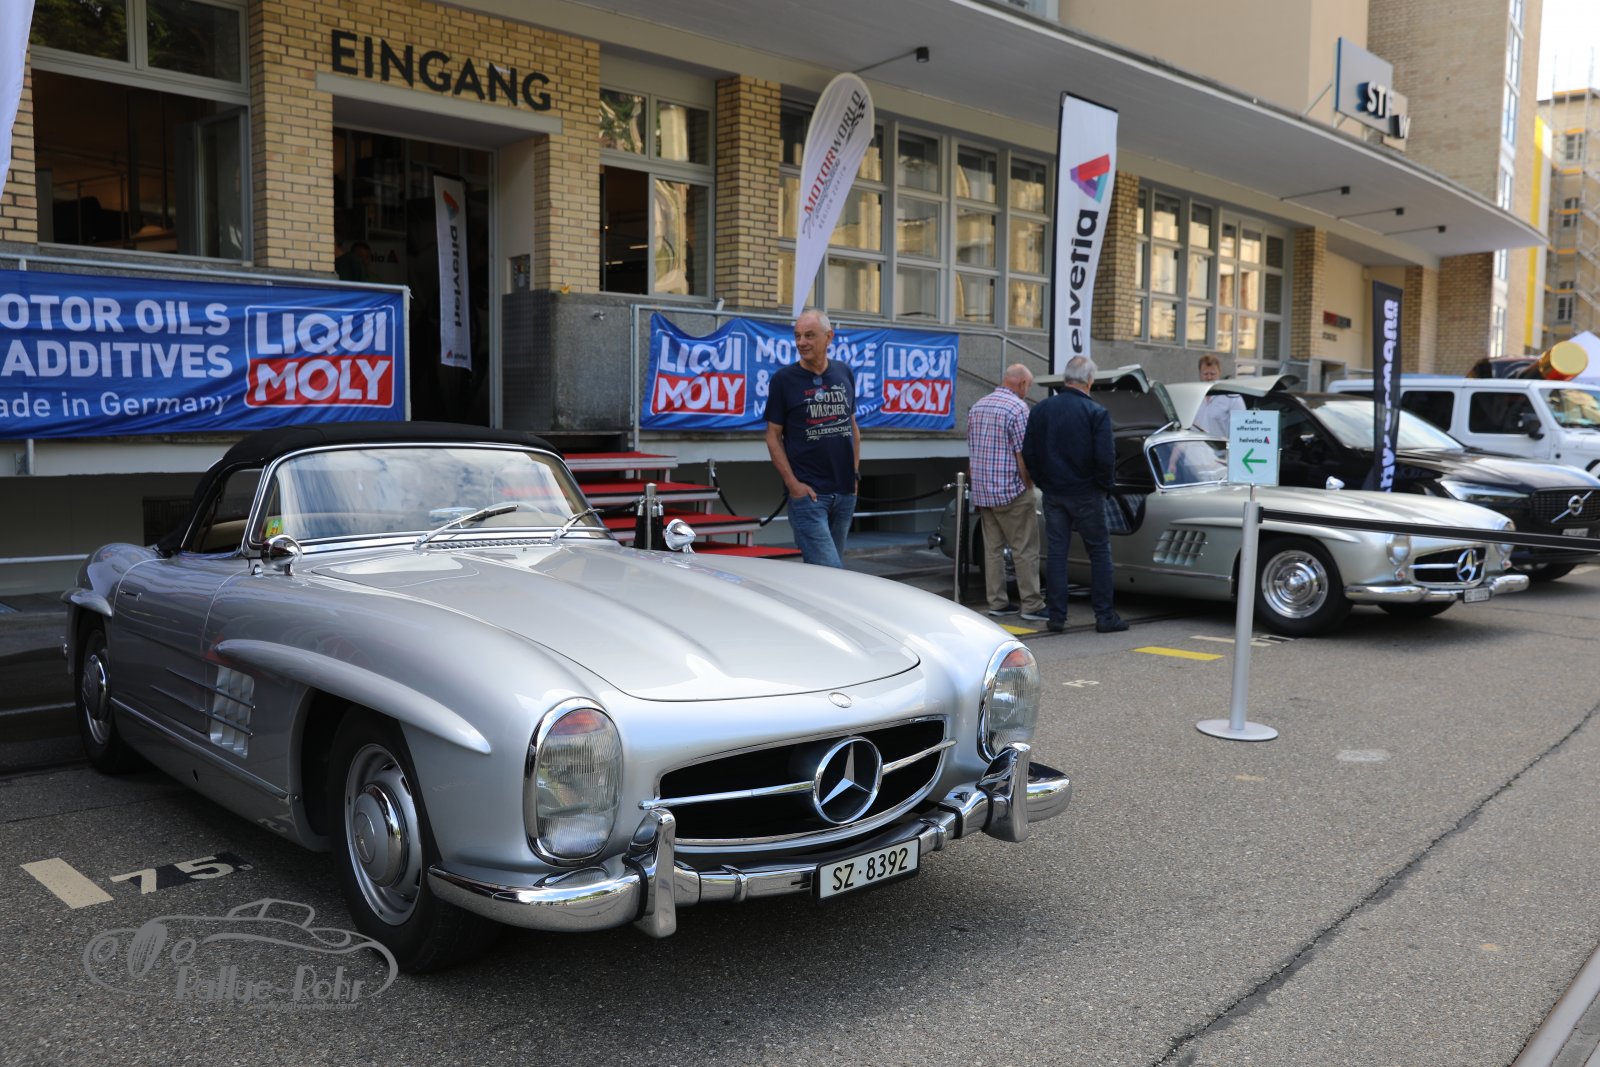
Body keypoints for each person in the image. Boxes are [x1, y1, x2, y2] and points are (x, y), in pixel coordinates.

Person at [1022, 355, 1128, 634]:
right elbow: (1105, 458)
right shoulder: (1096, 412)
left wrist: (1044, 482)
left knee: (1057, 553)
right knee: (1099, 552)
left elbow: (1029, 452)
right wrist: (1104, 486)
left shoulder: (1041, 410)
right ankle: (1104, 616)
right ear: (1090, 380)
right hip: (1087, 493)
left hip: (1054, 492)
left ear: (1066, 378)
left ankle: (1056, 616)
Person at [763, 308, 860, 567]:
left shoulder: (844, 372)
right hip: (809, 496)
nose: (801, 342)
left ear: (829, 337)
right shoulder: (784, 380)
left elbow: (852, 427)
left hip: (845, 493)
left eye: (809, 335)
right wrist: (793, 485)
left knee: (828, 576)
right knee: (830, 570)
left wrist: (854, 475)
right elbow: (772, 436)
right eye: (797, 336)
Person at [967, 364, 1046, 622]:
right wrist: (1029, 484)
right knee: (1025, 549)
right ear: (1022, 384)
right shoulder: (1018, 409)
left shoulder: (978, 406)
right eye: (1028, 386)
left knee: (992, 550)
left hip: (984, 491)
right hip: (1011, 491)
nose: (1027, 391)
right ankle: (1032, 604)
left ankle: (997, 602)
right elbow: (1022, 454)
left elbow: (973, 450)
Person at [1192, 353, 1244, 437]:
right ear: (1199, 374)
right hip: (1193, 445)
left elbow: (1241, 428)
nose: (1209, 377)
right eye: (1205, 374)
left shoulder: (1232, 397)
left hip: (1220, 445)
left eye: (1212, 374)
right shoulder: (1192, 396)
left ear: (1219, 373)